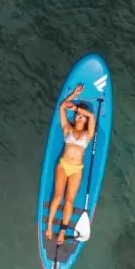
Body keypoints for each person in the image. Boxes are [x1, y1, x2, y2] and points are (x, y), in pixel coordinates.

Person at [44, 85, 96, 246]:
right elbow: (61, 107)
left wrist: (79, 109)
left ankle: (61, 232)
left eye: (81, 116)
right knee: (58, 196)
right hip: (63, 165)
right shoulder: (67, 128)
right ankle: (49, 227)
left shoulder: (88, 134)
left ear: (86, 119)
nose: (78, 117)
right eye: (77, 116)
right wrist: (73, 95)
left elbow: (92, 116)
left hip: (76, 169)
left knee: (69, 201)